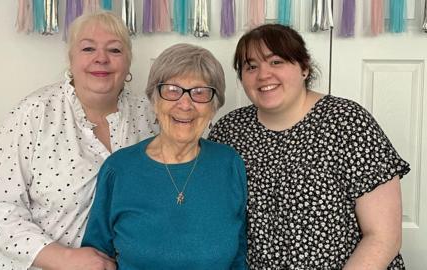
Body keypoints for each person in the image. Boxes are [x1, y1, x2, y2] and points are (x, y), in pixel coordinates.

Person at [208, 24, 410, 269]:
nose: (263, 75)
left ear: (304, 68)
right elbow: (215, 220)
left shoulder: (348, 122)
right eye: (251, 67)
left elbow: (383, 237)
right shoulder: (229, 131)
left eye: (276, 62)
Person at [0, 11, 157, 270]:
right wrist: (64, 258)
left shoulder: (150, 116)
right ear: (70, 59)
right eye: (88, 48)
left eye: (114, 50)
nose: (101, 58)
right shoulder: (35, 112)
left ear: (128, 63)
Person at [81, 43, 248, 269]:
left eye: (200, 92)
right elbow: (96, 257)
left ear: (214, 107)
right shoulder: (119, 169)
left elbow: (238, 257)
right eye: (172, 90)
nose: (185, 104)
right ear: (154, 101)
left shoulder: (229, 164)